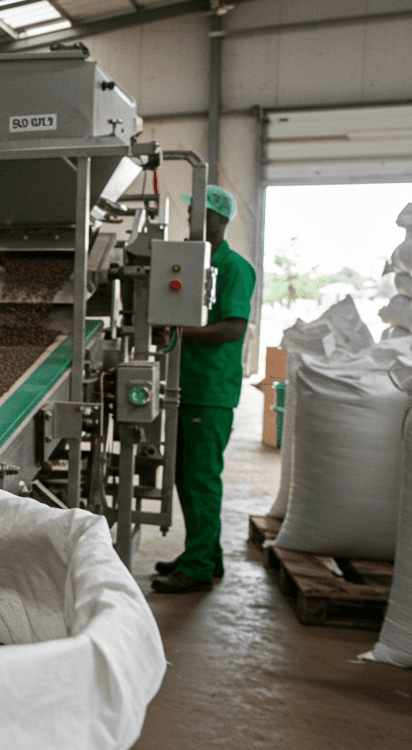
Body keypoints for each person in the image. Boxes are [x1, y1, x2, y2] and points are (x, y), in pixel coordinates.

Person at [152, 185, 257, 594]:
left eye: (199, 214)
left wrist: (180, 330)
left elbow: (233, 328)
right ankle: (206, 556)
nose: (192, 221)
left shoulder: (234, 268)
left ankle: (196, 567)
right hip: (182, 385)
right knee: (184, 476)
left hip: (209, 390)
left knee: (200, 479)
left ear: (219, 220)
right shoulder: (192, 263)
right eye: (191, 212)